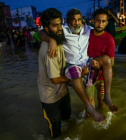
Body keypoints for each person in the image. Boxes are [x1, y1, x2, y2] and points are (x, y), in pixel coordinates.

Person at [38, 8, 119, 123]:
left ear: (83, 20)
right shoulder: (63, 31)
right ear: (67, 21)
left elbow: (109, 57)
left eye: (79, 19)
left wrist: (96, 64)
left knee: (106, 59)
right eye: (73, 20)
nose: (77, 23)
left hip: (87, 62)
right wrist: (51, 40)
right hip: (72, 65)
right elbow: (40, 32)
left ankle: (107, 96)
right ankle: (90, 108)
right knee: (75, 72)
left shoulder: (87, 29)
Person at [38, 8, 74, 139]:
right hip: (50, 96)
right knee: (56, 131)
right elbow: (54, 79)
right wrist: (75, 78)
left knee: (67, 119)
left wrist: (51, 39)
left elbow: (40, 32)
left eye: (60, 23)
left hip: (62, 91)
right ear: (47, 28)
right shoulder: (50, 51)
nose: (60, 28)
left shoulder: (56, 38)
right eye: (55, 25)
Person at [87, 8, 116, 115]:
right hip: (88, 75)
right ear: (93, 21)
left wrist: (98, 64)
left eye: (103, 21)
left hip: (102, 77)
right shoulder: (86, 35)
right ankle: (88, 127)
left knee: (101, 103)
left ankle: (102, 125)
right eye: (98, 20)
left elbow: (111, 63)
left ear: (106, 23)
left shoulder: (109, 39)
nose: (100, 24)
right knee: (89, 105)